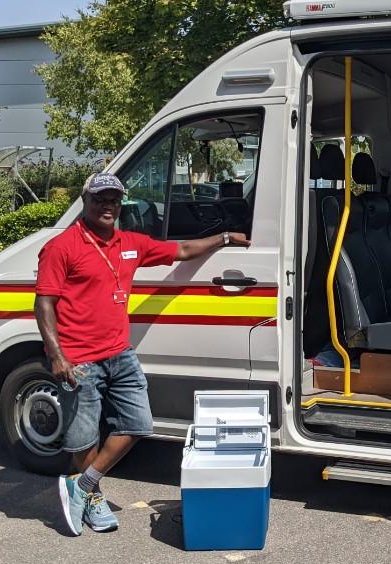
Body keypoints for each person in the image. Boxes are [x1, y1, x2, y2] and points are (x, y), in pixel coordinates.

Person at [35, 172, 251, 536]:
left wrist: (226, 237)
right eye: (100, 199)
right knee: (84, 437)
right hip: (79, 358)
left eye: (114, 200)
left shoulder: (129, 243)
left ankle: (82, 485)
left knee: (138, 423)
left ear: (121, 204)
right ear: (85, 201)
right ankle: (93, 496)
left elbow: (181, 251)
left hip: (119, 353)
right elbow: (44, 302)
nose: (108, 206)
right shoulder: (62, 246)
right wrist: (57, 355)